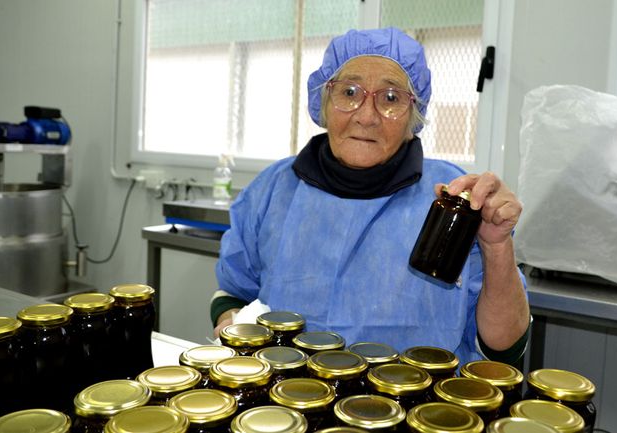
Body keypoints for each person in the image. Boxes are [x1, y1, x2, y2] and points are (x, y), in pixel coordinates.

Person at [211, 27, 530, 365]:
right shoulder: (273, 190)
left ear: (413, 114)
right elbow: (234, 293)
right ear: (324, 100)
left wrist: (496, 247)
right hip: (288, 405)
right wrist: (231, 321)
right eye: (349, 92)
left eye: (391, 98)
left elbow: (503, 347)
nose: (366, 116)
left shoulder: (456, 201)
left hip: (421, 410)